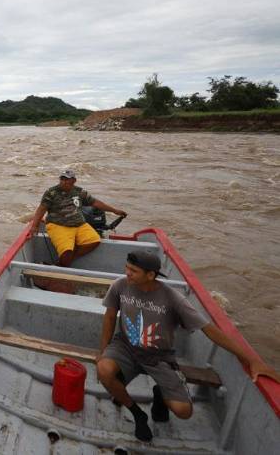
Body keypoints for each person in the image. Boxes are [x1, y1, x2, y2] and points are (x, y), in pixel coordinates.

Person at [97, 250, 280, 443]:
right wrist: (103, 351)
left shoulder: (172, 298)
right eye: (127, 268)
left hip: (158, 356)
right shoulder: (120, 286)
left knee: (183, 411)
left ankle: (161, 394)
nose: (127, 273)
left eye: (133, 270)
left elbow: (209, 330)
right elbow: (110, 317)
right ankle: (137, 414)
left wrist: (251, 360)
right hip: (125, 346)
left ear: (150, 275)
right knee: (104, 369)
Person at [29, 169, 126, 268]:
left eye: (67, 179)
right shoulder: (51, 192)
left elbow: (95, 203)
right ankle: (63, 264)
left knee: (94, 241)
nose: (64, 181)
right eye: (62, 179)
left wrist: (114, 210)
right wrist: (35, 226)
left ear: (74, 181)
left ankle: (64, 262)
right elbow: (41, 209)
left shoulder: (80, 192)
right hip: (58, 225)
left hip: (80, 224)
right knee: (66, 251)